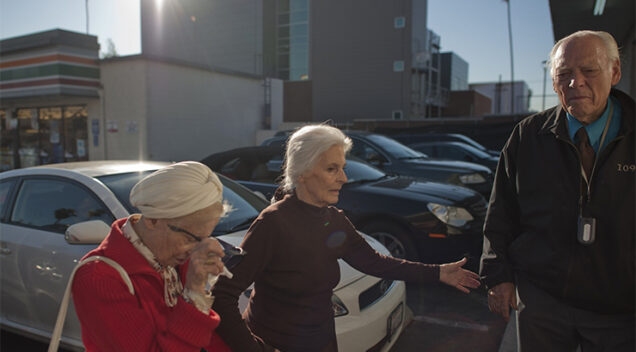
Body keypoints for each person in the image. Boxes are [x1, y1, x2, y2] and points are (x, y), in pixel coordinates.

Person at [212, 124, 481, 352]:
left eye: (342, 167)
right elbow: (222, 296)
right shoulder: (272, 224)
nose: (343, 177)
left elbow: (374, 262)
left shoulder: (332, 219)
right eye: (332, 169)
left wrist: (438, 273)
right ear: (303, 173)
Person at [481, 30, 634, 351]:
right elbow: (500, 213)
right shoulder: (528, 135)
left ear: (615, 72)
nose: (575, 82)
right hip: (542, 302)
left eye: (588, 71)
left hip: (621, 309)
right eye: (563, 74)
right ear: (553, 83)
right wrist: (497, 276)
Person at [72, 161, 231, 351]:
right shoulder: (98, 277)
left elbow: (209, 340)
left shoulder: (176, 260)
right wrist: (194, 295)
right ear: (153, 220)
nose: (195, 249)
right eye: (191, 238)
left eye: (205, 239)